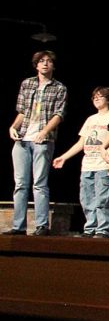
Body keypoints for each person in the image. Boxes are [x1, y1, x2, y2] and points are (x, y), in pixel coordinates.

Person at [8, 50, 67, 236]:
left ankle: (42, 225)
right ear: (36, 65)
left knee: (39, 184)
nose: (45, 64)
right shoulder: (27, 84)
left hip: (43, 140)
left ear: (53, 66)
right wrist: (13, 127)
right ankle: (19, 226)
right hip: (23, 139)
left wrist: (44, 132)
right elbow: (22, 111)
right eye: (41, 61)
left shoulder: (59, 88)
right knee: (20, 184)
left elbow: (59, 114)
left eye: (49, 61)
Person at [52, 87, 109, 237]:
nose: (97, 99)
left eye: (101, 96)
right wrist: (64, 157)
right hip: (87, 165)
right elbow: (81, 143)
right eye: (94, 97)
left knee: (102, 199)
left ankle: (102, 229)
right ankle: (90, 228)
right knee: (86, 199)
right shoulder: (90, 119)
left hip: (103, 165)